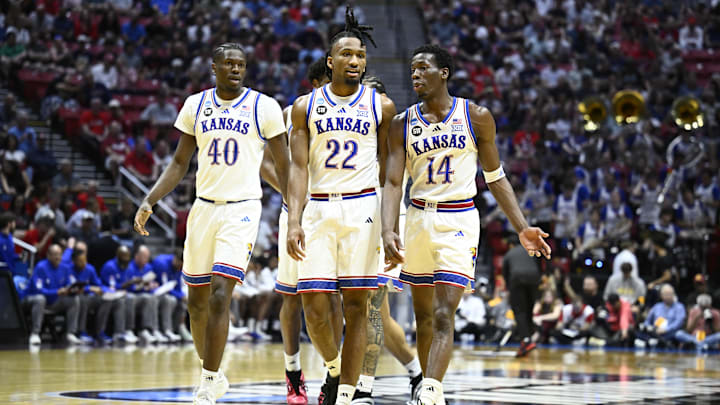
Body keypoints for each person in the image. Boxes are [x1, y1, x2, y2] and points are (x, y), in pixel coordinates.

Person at [382, 44, 550, 405]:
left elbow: (496, 176)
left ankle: (432, 391)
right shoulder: (401, 124)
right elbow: (394, 183)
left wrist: (521, 226)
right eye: (412, 69)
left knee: (445, 312)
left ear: (444, 73)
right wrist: (388, 229)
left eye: (423, 68)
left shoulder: (475, 116)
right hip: (417, 218)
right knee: (423, 316)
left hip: (458, 218)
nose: (415, 75)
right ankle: (426, 386)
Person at [134, 42, 289, 405]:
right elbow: (178, 164)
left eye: (241, 64)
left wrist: (297, 206)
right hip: (203, 209)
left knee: (221, 293)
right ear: (213, 68)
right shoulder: (195, 105)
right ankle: (214, 374)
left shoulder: (263, 107)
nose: (235, 69)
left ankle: (206, 383)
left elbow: (284, 167)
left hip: (243, 209)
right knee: (197, 302)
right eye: (228, 64)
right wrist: (150, 199)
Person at [286, 9, 395, 404]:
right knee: (314, 308)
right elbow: (298, 168)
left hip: (362, 207)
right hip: (317, 208)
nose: (355, 61)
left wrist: (387, 224)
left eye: (361, 56)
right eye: (348, 55)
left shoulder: (380, 106)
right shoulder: (304, 106)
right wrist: (293, 220)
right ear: (331, 61)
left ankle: (347, 394)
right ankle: (333, 369)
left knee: (357, 306)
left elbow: (387, 169)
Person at [268, 58, 340, 405]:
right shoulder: (292, 112)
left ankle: (335, 372)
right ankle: (293, 374)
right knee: (292, 296)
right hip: (297, 213)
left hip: (336, 212)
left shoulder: (349, 111)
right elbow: (265, 162)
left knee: (336, 295)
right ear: (315, 83)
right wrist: (293, 196)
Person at [353, 76, 423, 404]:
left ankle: (363, 388)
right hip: (355, 223)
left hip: (388, 224)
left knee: (372, 309)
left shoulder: (398, 132)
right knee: (375, 313)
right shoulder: (354, 133)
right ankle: (417, 374)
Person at [24, 244, 82, 345]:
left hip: (54, 302)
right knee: (40, 299)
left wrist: (73, 290)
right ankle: (35, 333)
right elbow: (38, 290)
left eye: (59, 254)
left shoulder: (65, 268)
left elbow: (69, 284)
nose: (57, 257)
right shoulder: (41, 267)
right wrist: (57, 291)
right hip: (33, 300)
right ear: (48, 255)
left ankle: (70, 333)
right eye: (55, 254)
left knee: (74, 300)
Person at [502, 236, 541, 356]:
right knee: (529, 309)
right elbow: (538, 265)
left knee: (519, 311)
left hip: (517, 279)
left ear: (511, 245)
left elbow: (505, 273)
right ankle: (529, 337)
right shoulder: (530, 250)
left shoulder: (509, 253)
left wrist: (509, 288)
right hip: (534, 279)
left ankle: (526, 340)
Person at [99, 245, 138, 343]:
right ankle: (118, 332)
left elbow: (132, 287)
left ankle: (128, 330)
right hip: (108, 294)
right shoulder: (109, 266)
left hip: (123, 294)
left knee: (130, 298)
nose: (126, 259)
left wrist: (140, 285)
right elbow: (109, 285)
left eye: (128, 256)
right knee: (121, 301)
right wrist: (124, 285)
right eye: (124, 256)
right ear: (118, 256)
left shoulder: (129, 267)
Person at [151, 248, 185, 342]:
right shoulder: (162, 263)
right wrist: (180, 295)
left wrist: (182, 296)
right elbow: (164, 287)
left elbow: (177, 286)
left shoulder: (179, 267)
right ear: (176, 259)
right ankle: (159, 330)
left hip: (165, 292)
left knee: (182, 303)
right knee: (170, 299)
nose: (180, 269)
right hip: (153, 291)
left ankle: (176, 330)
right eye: (180, 266)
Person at [636, 284, 685, 348]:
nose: (668, 296)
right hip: (655, 332)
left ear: (674, 294)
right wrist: (648, 328)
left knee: (679, 334)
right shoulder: (657, 306)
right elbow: (647, 321)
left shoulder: (679, 307)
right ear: (661, 295)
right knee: (639, 334)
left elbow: (679, 322)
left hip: (670, 333)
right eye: (666, 294)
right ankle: (653, 342)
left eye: (670, 294)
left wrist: (666, 329)